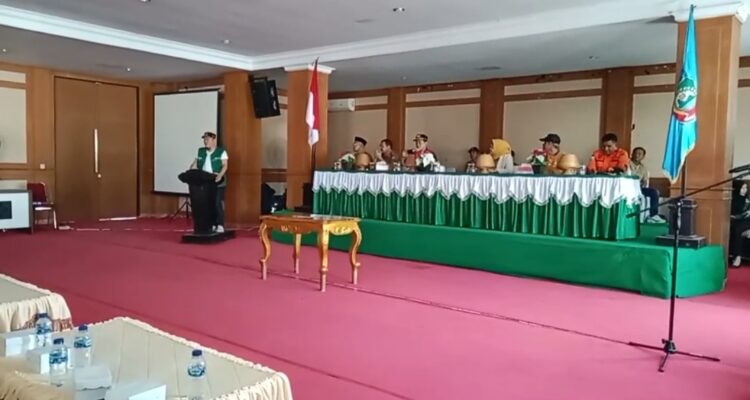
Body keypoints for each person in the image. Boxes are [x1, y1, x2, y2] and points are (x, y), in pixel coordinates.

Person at [190, 131, 228, 233]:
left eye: (207, 139)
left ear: (214, 140)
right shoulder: (200, 151)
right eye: (204, 139)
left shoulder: (221, 151)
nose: (205, 141)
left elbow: (225, 165)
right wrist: (191, 171)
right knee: (207, 204)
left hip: (217, 181)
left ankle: (220, 224)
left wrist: (220, 175)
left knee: (217, 203)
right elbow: (195, 164)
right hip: (205, 181)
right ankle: (211, 224)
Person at [630, 147, 665, 223]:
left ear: (643, 157)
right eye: (636, 153)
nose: (637, 155)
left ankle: (653, 215)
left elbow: (645, 181)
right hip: (628, 188)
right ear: (632, 154)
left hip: (639, 188)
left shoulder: (643, 168)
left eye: (640, 154)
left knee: (655, 192)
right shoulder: (627, 163)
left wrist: (644, 182)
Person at [730, 180, 750, 267]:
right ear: (738, 188)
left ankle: (737, 256)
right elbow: (734, 213)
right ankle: (737, 256)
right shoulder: (733, 198)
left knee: (738, 229)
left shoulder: (748, 198)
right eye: (742, 188)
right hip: (737, 221)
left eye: (745, 188)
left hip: (748, 220)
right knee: (737, 229)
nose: (744, 190)